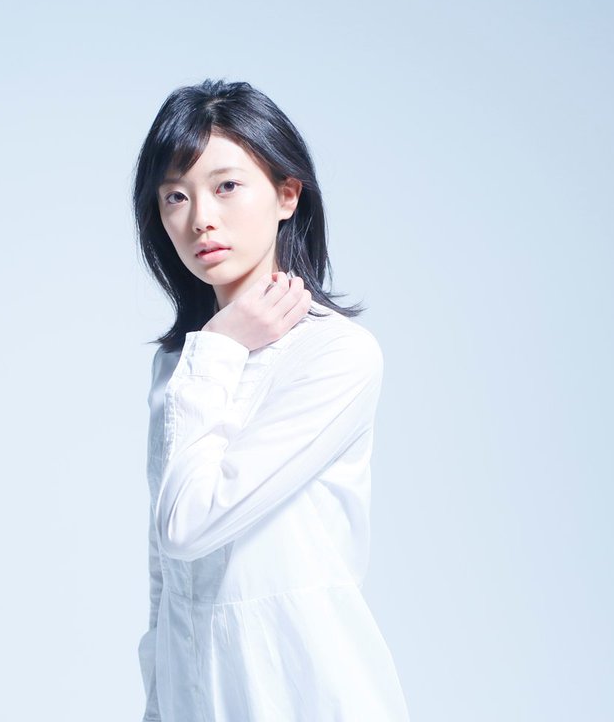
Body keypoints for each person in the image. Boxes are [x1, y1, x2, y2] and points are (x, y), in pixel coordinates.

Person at [130, 79, 410, 721]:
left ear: (287, 194)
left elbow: (188, 525)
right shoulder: (181, 365)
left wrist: (220, 348)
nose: (200, 218)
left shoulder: (336, 355)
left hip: (299, 690)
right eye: (175, 196)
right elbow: (165, 578)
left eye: (227, 185)